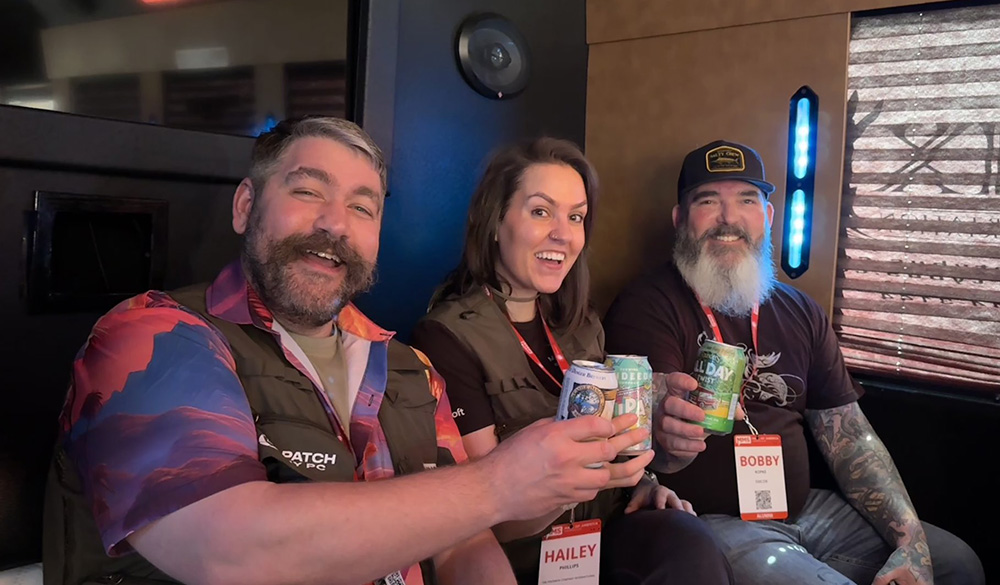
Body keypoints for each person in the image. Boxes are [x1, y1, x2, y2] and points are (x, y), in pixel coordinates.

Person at [43, 117, 650, 585]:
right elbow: (227, 550)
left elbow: (463, 542)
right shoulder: (152, 336)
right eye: (309, 192)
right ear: (246, 207)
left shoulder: (410, 368)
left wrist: (554, 480)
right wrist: (496, 483)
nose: (336, 223)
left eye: (363, 206)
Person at [602, 140, 985, 585]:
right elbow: (655, 400)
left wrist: (910, 541)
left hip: (808, 510)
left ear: (767, 217)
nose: (729, 218)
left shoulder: (801, 311)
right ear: (679, 219)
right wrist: (666, 433)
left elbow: (851, 439)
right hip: (715, 522)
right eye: (708, 201)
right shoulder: (648, 304)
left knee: (956, 564)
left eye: (747, 200)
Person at [412, 137, 735, 585]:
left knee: (688, 541)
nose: (563, 234)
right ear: (494, 220)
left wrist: (642, 484)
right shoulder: (446, 337)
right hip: (524, 555)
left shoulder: (580, 323)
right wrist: (590, 480)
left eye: (576, 216)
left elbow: (617, 446)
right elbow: (486, 517)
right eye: (540, 211)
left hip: (602, 534)